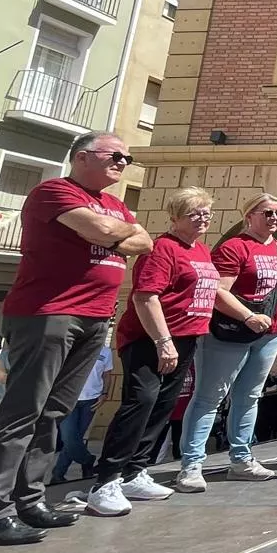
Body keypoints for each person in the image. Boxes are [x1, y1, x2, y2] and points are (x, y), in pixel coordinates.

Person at [0, 132, 151, 546]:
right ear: (81, 157)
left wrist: (115, 230)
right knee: (23, 410)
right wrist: (115, 232)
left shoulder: (115, 203)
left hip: (95, 318)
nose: (123, 162)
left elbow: (143, 241)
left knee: (54, 412)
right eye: (115, 155)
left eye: (126, 158)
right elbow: (98, 231)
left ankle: (30, 500)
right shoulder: (53, 191)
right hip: (49, 314)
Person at [86, 187, 220, 516]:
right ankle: (105, 481)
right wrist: (163, 342)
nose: (202, 218)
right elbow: (145, 297)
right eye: (194, 213)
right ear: (174, 217)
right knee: (140, 401)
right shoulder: (162, 248)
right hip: (150, 338)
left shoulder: (201, 249)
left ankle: (135, 472)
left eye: (206, 212)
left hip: (186, 338)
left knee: (162, 405)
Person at [173, 193, 277, 493]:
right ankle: (191, 464)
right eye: (267, 213)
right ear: (249, 215)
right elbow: (217, 290)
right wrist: (248, 315)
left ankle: (241, 457)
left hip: (270, 332)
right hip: (231, 332)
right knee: (210, 396)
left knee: (250, 396)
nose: (274, 218)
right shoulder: (234, 247)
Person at [50, 344, 113, 485]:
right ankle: (87, 460)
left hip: (91, 400)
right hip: (69, 399)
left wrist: (105, 394)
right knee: (69, 437)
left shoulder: (106, 352)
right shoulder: (72, 346)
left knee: (76, 438)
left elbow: (107, 375)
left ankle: (58, 474)